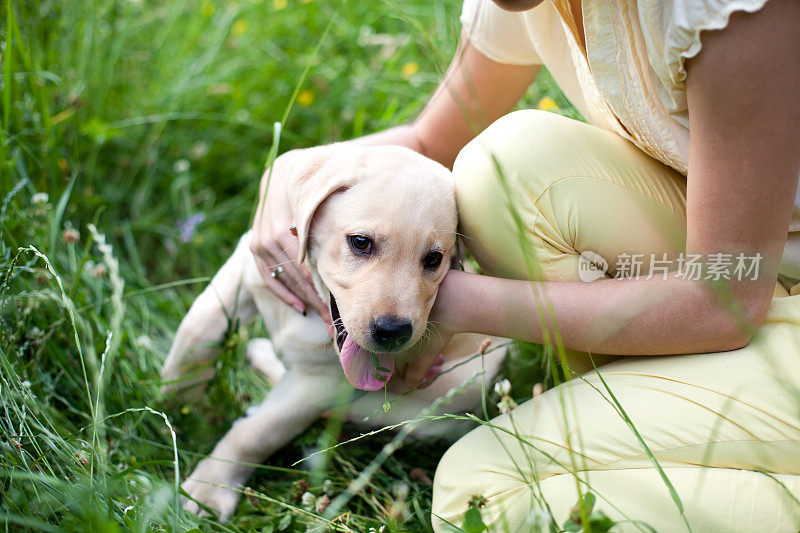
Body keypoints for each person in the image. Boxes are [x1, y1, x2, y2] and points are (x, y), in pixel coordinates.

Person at [251, 0, 800, 529]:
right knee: (504, 169)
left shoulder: (731, 10)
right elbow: (428, 143)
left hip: (737, 296)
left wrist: (459, 304)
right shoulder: (526, 2)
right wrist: (293, 174)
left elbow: (724, 303)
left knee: (481, 492)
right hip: (754, 254)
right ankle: (653, 400)